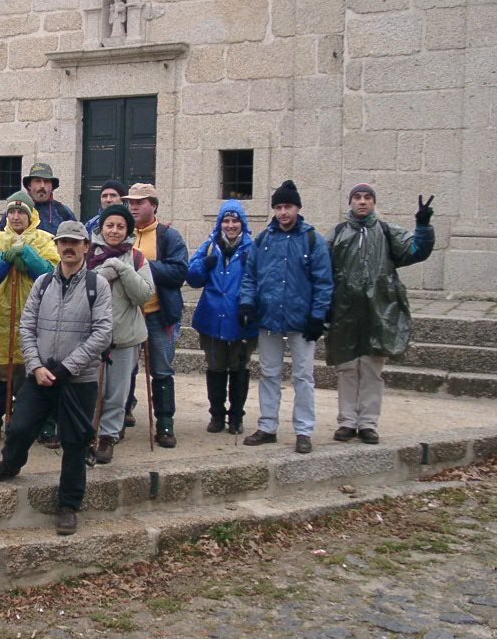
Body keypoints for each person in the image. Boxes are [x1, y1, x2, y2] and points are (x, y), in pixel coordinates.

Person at [0, 221, 113, 536]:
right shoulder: (42, 283)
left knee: (75, 442)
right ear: (57, 246)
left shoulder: (97, 286)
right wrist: (36, 366)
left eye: (75, 242)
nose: (68, 247)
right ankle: (10, 464)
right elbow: (27, 327)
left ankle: (68, 504)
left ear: (85, 248)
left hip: (78, 379)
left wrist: (67, 368)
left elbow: (103, 333)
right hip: (40, 375)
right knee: (21, 426)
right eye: (63, 241)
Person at [326, 185, 435, 445]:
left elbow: (415, 251)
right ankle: (347, 421)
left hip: (379, 311)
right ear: (350, 202)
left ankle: (368, 423)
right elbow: (321, 265)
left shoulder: (387, 231)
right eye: (357, 198)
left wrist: (423, 226)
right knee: (348, 368)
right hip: (345, 311)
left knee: (372, 369)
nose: (362, 202)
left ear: (374, 202)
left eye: (367, 198)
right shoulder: (338, 233)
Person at [238, 180, 333, 454]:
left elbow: (323, 282)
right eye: (278, 207)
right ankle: (268, 426)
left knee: (303, 376)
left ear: (297, 208)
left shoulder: (312, 240)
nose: (283, 212)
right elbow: (250, 276)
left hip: (301, 320)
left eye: (287, 206)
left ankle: (304, 430)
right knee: (269, 374)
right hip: (268, 318)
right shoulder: (264, 240)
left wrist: (318, 316)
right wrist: (246, 304)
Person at [0, 191, 59, 446]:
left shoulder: (45, 239)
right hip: (2, 315)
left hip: (35, 317)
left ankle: (40, 423)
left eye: (21, 212)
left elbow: (53, 273)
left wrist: (29, 258)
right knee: (2, 371)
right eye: (11, 211)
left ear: (31, 214)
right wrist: (4, 261)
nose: (16, 217)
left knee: (35, 370)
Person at [123, 183, 188, 448]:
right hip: (128, 315)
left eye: (140, 202)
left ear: (154, 205)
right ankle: (119, 417)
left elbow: (179, 272)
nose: (134, 207)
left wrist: (144, 265)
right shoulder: (122, 232)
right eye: (131, 202)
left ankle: (164, 423)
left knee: (161, 370)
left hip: (158, 315)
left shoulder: (169, 237)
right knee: (124, 369)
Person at [88, 204, 154, 464]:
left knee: (117, 392)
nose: (114, 231)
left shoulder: (137, 259)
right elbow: (79, 289)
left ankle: (108, 436)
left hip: (125, 336)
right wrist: (100, 272)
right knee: (91, 390)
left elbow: (143, 295)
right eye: (109, 225)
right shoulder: (87, 254)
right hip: (91, 338)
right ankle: (85, 432)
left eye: (120, 226)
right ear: (101, 227)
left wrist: (122, 269)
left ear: (127, 230)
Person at [185, 200, 258, 436]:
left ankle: (236, 416)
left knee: (239, 367)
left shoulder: (252, 249)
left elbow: (260, 281)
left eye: (235, 221)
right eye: (226, 221)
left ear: (242, 223)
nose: (230, 225)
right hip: (212, 318)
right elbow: (192, 277)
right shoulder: (209, 247)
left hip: (241, 318)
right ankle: (217, 414)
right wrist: (204, 266)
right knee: (215, 367)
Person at [0, 162, 76, 236]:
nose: (42, 186)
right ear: (29, 185)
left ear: (52, 186)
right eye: (37, 181)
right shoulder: (14, 211)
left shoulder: (63, 212)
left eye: (46, 181)